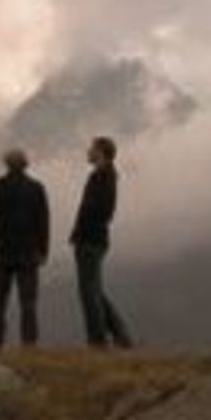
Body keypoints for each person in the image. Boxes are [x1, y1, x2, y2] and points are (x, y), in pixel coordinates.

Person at [0, 149, 50, 351]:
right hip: (29, 253)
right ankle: (29, 346)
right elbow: (43, 222)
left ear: (7, 164)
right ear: (25, 164)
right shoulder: (36, 188)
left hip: (1, 252)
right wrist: (43, 250)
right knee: (28, 303)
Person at [71, 137, 133, 349]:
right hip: (93, 238)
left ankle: (97, 340)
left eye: (92, 148)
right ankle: (121, 335)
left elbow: (101, 210)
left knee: (89, 292)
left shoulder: (103, 177)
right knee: (94, 290)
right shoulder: (104, 176)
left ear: (100, 152)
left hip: (90, 239)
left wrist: (83, 231)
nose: (88, 152)